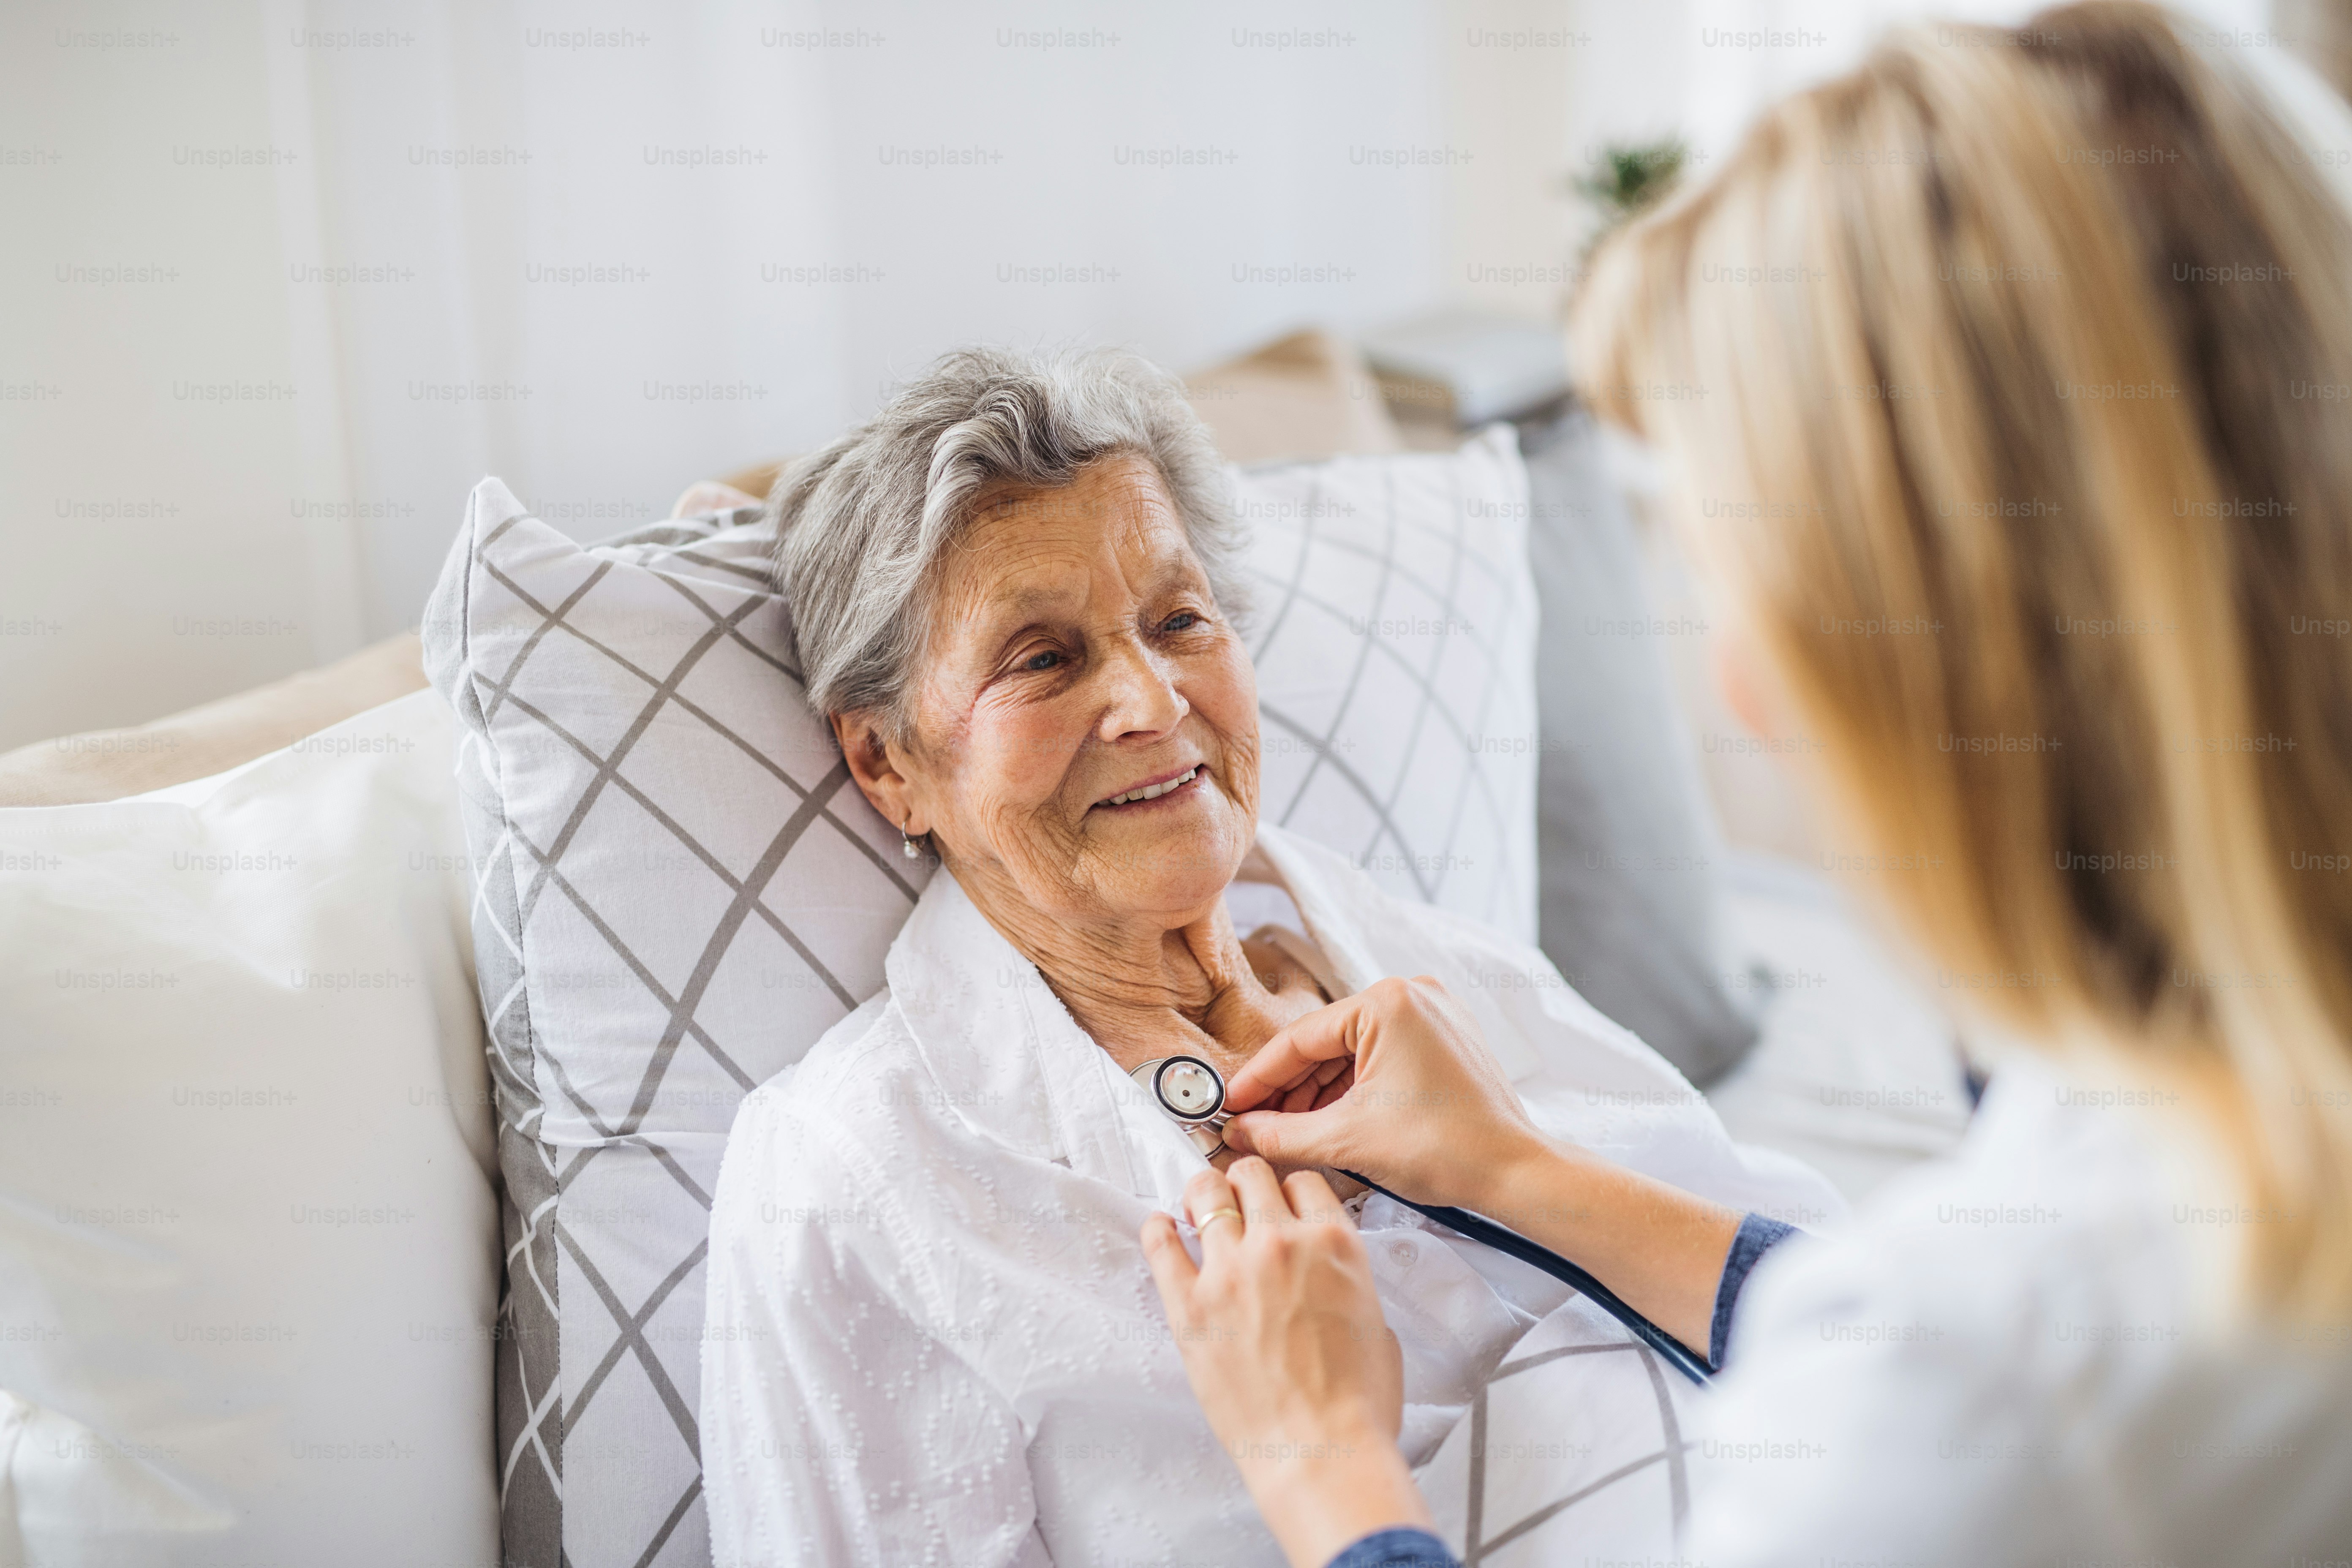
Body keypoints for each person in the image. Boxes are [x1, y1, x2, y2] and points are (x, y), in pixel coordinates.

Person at [1136, 7, 2352, 1566]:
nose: (1738, 683)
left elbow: (1981, 1394)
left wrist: (1328, 1475)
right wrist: (1518, 1174)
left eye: (1737, 576)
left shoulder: (1991, 1385)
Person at [697, 347, 1839, 1566]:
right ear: (888, 765)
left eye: (1180, 620)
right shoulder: (852, 1182)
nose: (1151, 701)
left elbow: (1883, 1345)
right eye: (1042, 658)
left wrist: (1516, 1171)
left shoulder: (1437, 970)